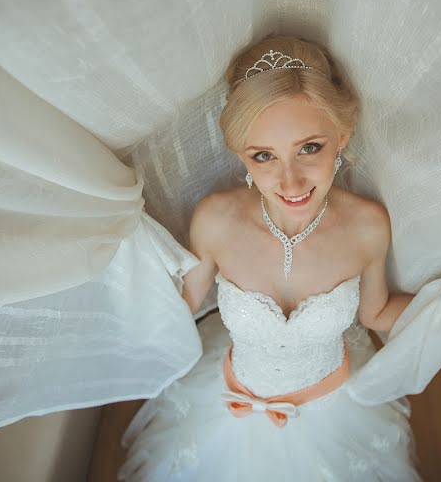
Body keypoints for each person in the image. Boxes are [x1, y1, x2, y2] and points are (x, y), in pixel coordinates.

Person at [118, 35, 422, 481]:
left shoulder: (367, 224)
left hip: (333, 413)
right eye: (264, 156)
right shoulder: (217, 220)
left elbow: (375, 314)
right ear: (241, 154)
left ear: (342, 136)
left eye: (310, 148)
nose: (290, 180)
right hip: (225, 401)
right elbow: (178, 305)